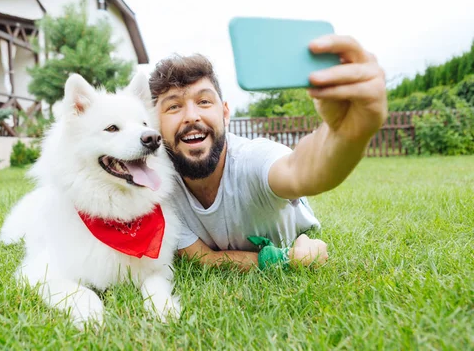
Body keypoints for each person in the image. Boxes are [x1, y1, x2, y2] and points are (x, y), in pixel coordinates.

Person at [148, 35, 387, 271]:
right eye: (174, 106)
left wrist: (346, 135)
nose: (191, 115)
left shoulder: (252, 159)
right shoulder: (158, 188)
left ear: (225, 113)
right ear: (154, 122)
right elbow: (201, 258)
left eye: (204, 101)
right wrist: (282, 259)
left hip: (295, 225)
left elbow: (301, 171)